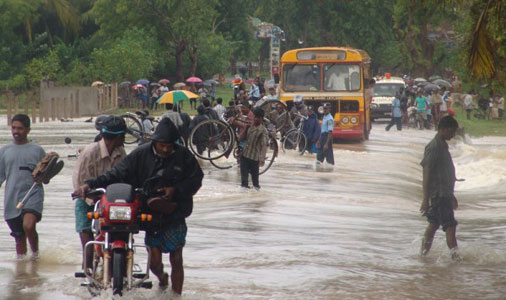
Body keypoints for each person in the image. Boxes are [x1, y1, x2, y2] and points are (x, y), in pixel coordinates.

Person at [74, 118, 204, 294]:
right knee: (155, 263)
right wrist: (89, 184)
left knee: (177, 257)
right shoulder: (140, 155)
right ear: (155, 142)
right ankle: (162, 278)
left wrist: (175, 190)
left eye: (169, 145)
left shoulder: (184, 156)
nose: (166, 149)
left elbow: (196, 179)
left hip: (174, 212)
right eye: (162, 145)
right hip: (150, 214)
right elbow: (116, 174)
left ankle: (176, 296)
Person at [72, 116, 127, 270]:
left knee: (119, 232)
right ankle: (87, 270)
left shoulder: (120, 152)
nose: (124, 139)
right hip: (87, 201)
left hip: (110, 202)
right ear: (118, 137)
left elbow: (125, 176)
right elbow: (79, 181)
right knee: (87, 240)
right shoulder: (90, 152)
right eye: (123, 136)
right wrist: (91, 197)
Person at [0, 114, 46, 259]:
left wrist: (42, 175)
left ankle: (35, 256)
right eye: (13, 128)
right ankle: (23, 273)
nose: (16, 131)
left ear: (28, 130)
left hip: (32, 194)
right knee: (19, 239)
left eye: (20, 128)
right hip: (12, 198)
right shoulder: (4, 151)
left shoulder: (37, 150)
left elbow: (46, 177)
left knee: (29, 225)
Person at [419, 115, 460, 260]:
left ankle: (423, 255)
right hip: (439, 194)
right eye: (451, 131)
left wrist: (451, 194)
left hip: (443, 193)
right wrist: (425, 199)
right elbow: (427, 172)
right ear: (442, 130)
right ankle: (456, 259)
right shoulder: (434, 147)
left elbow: (444, 173)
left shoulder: (442, 145)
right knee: (450, 226)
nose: (453, 135)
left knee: (434, 224)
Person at [239, 108, 268, 189]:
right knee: (244, 183)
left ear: (261, 118)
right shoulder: (249, 126)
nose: (255, 119)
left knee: (255, 184)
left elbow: (264, 145)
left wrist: (262, 158)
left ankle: (256, 199)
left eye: (258, 117)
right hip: (244, 156)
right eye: (255, 117)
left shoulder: (263, 131)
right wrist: (245, 128)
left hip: (254, 159)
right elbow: (240, 139)